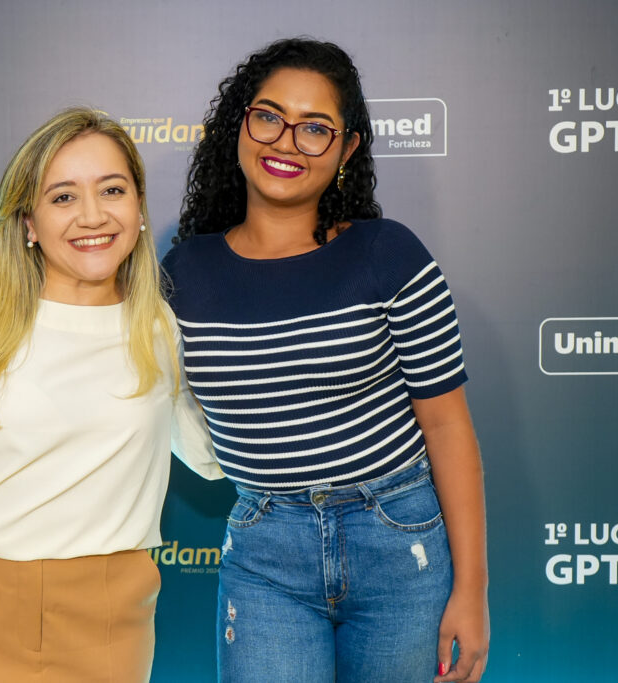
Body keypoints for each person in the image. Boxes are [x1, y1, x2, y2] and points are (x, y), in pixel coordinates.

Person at [0, 107, 222, 683]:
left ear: (139, 208)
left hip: (112, 627)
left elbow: (212, 453)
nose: (92, 215)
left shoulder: (157, 326)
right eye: (63, 197)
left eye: (112, 190)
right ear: (28, 221)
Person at [162, 38, 489, 682]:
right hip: (266, 554)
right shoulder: (182, 275)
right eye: (269, 116)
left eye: (315, 128)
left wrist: (472, 591)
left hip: (397, 541)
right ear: (239, 124)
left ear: (347, 148)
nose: (286, 142)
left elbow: (448, 426)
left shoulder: (389, 255)